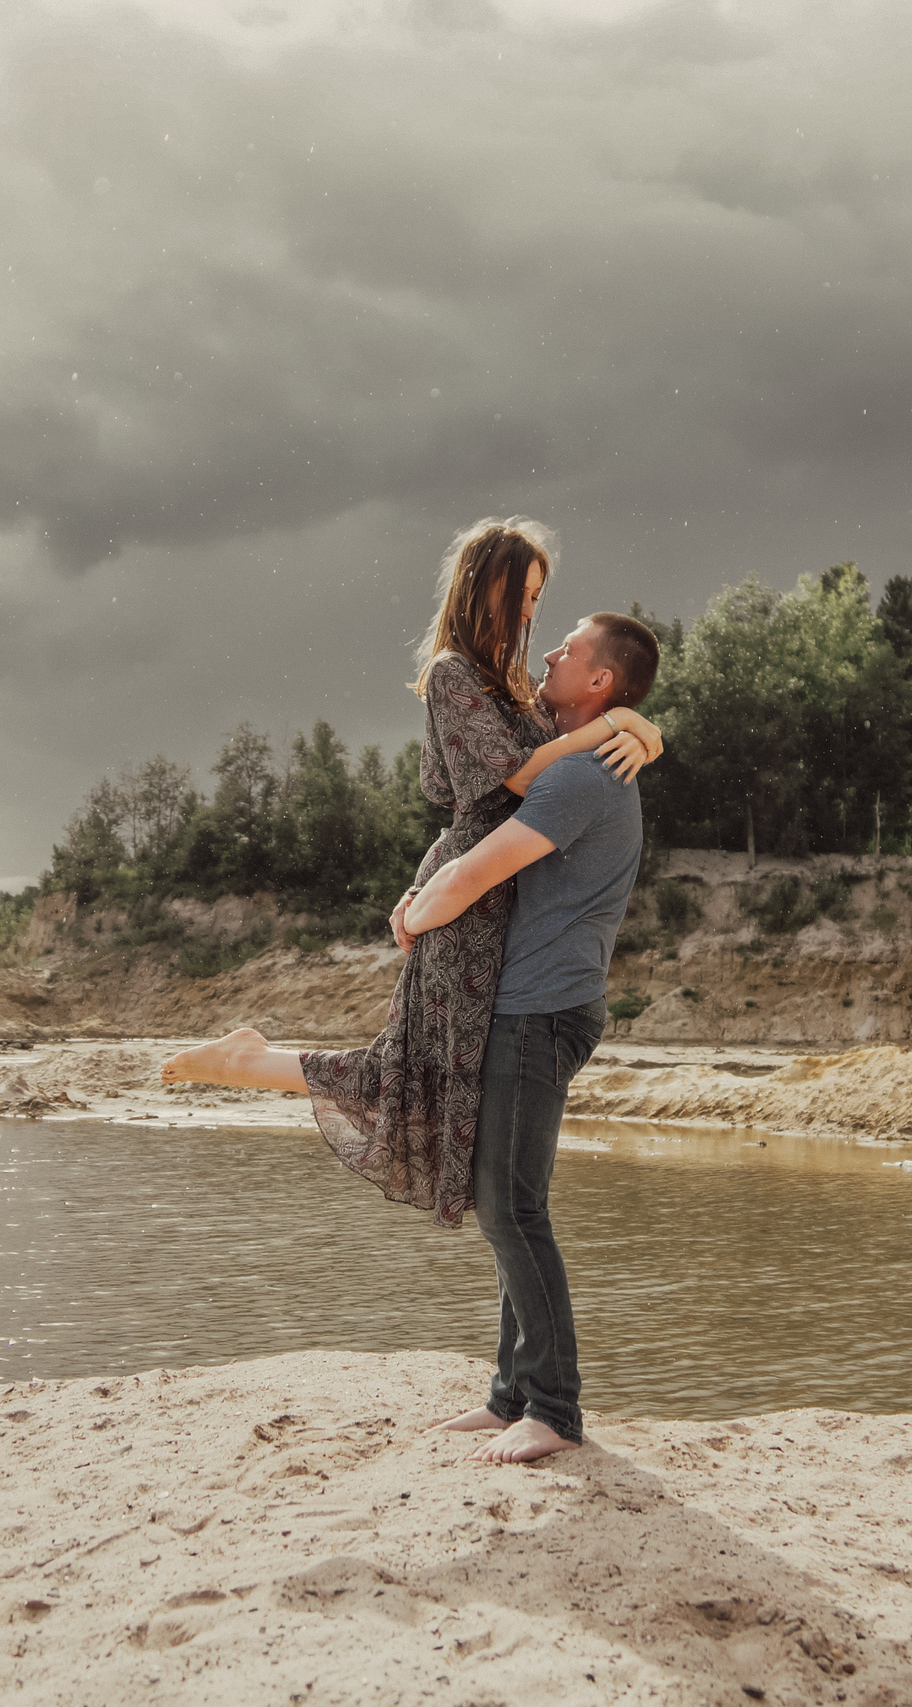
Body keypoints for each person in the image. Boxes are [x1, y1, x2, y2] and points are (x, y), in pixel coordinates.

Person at [160, 520, 660, 1241]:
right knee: (415, 1073)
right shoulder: (453, 673)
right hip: (468, 897)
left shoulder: (517, 687)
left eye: (538, 598)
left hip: (483, 891)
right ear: (487, 587)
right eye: (524, 594)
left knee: (423, 1073)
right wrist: (615, 725)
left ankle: (251, 1059)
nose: (532, 613)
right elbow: (519, 779)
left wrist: (639, 725)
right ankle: (248, 1061)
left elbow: (573, 738)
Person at [404, 608, 660, 1463]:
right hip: (540, 1004)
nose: (548, 651)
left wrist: (412, 915)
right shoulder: (586, 755)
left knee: (511, 1208)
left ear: (601, 681)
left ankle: (553, 1407)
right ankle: (511, 1394)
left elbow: (477, 871)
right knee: (509, 1204)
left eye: (569, 648)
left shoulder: (584, 774)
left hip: (541, 1008)